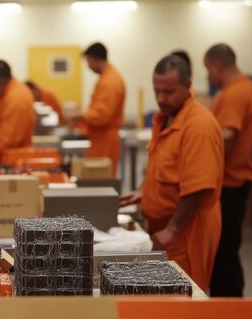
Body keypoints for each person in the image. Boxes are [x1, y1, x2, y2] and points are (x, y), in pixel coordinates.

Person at [120, 55, 223, 292]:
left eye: (169, 92)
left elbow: (199, 186)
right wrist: (145, 191)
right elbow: (162, 163)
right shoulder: (165, 118)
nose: (161, 99)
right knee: (166, 293)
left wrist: (173, 230)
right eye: (157, 91)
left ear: (187, 87)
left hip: (187, 228)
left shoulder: (198, 127)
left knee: (186, 293)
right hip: (165, 225)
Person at [204, 43, 252, 297]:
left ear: (216, 65)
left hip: (230, 184)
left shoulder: (234, 93)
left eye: (208, 70)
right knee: (226, 252)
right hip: (235, 181)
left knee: (224, 255)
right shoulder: (244, 88)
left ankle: (228, 309)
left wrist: (198, 142)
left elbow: (228, 134)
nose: (209, 77)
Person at [73, 42, 125, 176]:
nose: (88, 66)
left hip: (105, 138)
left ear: (96, 59)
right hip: (100, 137)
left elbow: (102, 115)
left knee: (101, 179)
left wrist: (81, 116)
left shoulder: (110, 82)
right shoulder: (107, 78)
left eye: (88, 61)